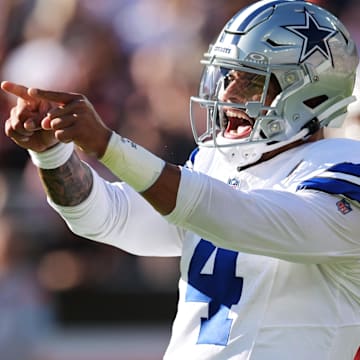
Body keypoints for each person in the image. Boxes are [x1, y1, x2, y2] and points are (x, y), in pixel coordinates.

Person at [2, 0, 360, 358]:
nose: (228, 94)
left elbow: (238, 217)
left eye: (251, 80)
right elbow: (104, 216)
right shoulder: (218, 165)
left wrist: (109, 145)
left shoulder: (340, 172)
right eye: (227, 76)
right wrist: (51, 153)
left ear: (309, 94)